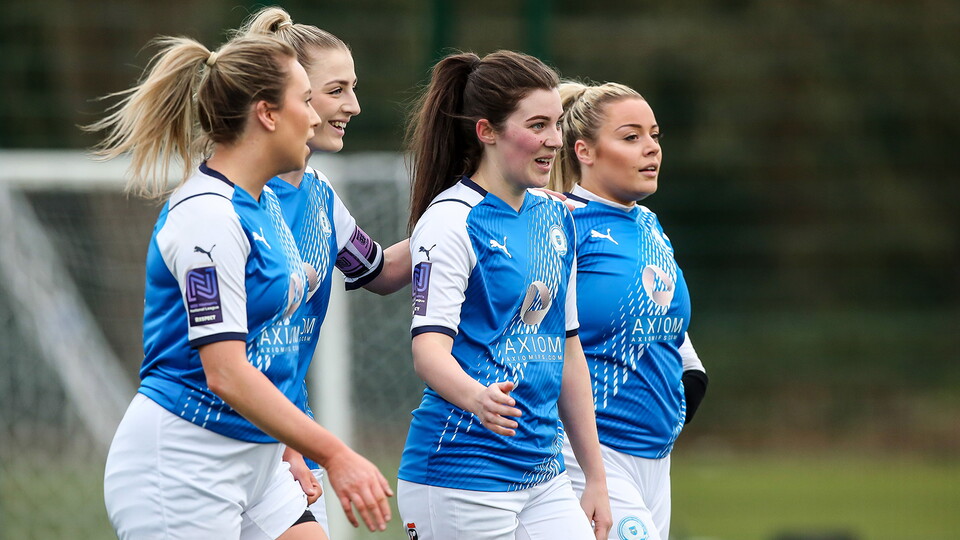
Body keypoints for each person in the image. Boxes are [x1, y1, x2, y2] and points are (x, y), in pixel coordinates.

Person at [88, 34, 390, 538]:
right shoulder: (206, 215)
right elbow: (225, 373)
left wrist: (287, 446)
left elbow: (275, 348)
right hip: (185, 463)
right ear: (267, 114)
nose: (317, 117)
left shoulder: (271, 205)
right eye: (305, 100)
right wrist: (334, 454)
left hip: (259, 461)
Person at [397, 50, 613, 540]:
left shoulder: (558, 218)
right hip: (460, 472)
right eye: (537, 125)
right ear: (487, 131)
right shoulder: (450, 220)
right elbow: (428, 351)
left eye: (557, 123)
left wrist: (595, 476)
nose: (554, 140)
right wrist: (479, 399)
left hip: (544, 474)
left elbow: (568, 349)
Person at [238, 7, 409, 534]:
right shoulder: (229, 203)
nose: (353, 106)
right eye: (337, 90)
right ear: (292, 96)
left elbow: (378, 271)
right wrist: (291, 442)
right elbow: (220, 352)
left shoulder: (319, 196)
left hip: (284, 446)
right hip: (226, 436)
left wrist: (464, 213)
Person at [548, 81, 709, 540]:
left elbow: (672, 337)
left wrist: (686, 390)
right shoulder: (561, 223)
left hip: (655, 459)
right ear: (584, 150)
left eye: (654, 135)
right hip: (589, 452)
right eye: (631, 136)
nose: (651, 149)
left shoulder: (649, 225)